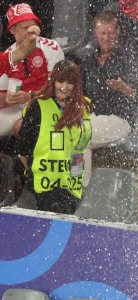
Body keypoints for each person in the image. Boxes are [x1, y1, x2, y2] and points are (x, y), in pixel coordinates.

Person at [15, 59, 91, 214]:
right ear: (53, 81)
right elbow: (23, 149)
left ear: (76, 85)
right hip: (44, 188)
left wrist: (75, 176)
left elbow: (80, 148)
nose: (64, 87)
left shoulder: (83, 108)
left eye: (70, 82)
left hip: (72, 187)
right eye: (60, 81)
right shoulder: (39, 106)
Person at [0, 2, 62, 134]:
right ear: (12, 30)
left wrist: (30, 96)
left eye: (32, 26)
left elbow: (60, 89)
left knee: (21, 126)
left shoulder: (52, 47)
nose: (30, 31)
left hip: (48, 105)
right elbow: (2, 97)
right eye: (25, 27)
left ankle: (26, 155)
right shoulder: (7, 55)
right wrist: (10, 98)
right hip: (17, 108)